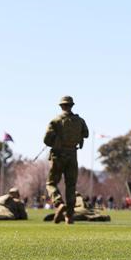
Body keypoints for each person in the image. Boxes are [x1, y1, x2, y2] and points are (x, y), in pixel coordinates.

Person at [43, 95, 89, 224]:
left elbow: (46, 140)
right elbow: (86, 133)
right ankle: (69, 216)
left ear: (61, 106)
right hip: (72, 154)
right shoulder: (80, 121)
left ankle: (58, 203)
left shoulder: (56, 121)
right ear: (71, 106)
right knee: (71, 186)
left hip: (58, 155)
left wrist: (56, 139)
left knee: (51, 183)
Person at [42, 192, 110, 222]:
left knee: (74, 215)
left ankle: (62, 217)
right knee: (86, 216)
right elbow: (93, 207)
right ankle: (101, 217)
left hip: (78, 210)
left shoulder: (76, 199)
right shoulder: (82, 200)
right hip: (87, 211)